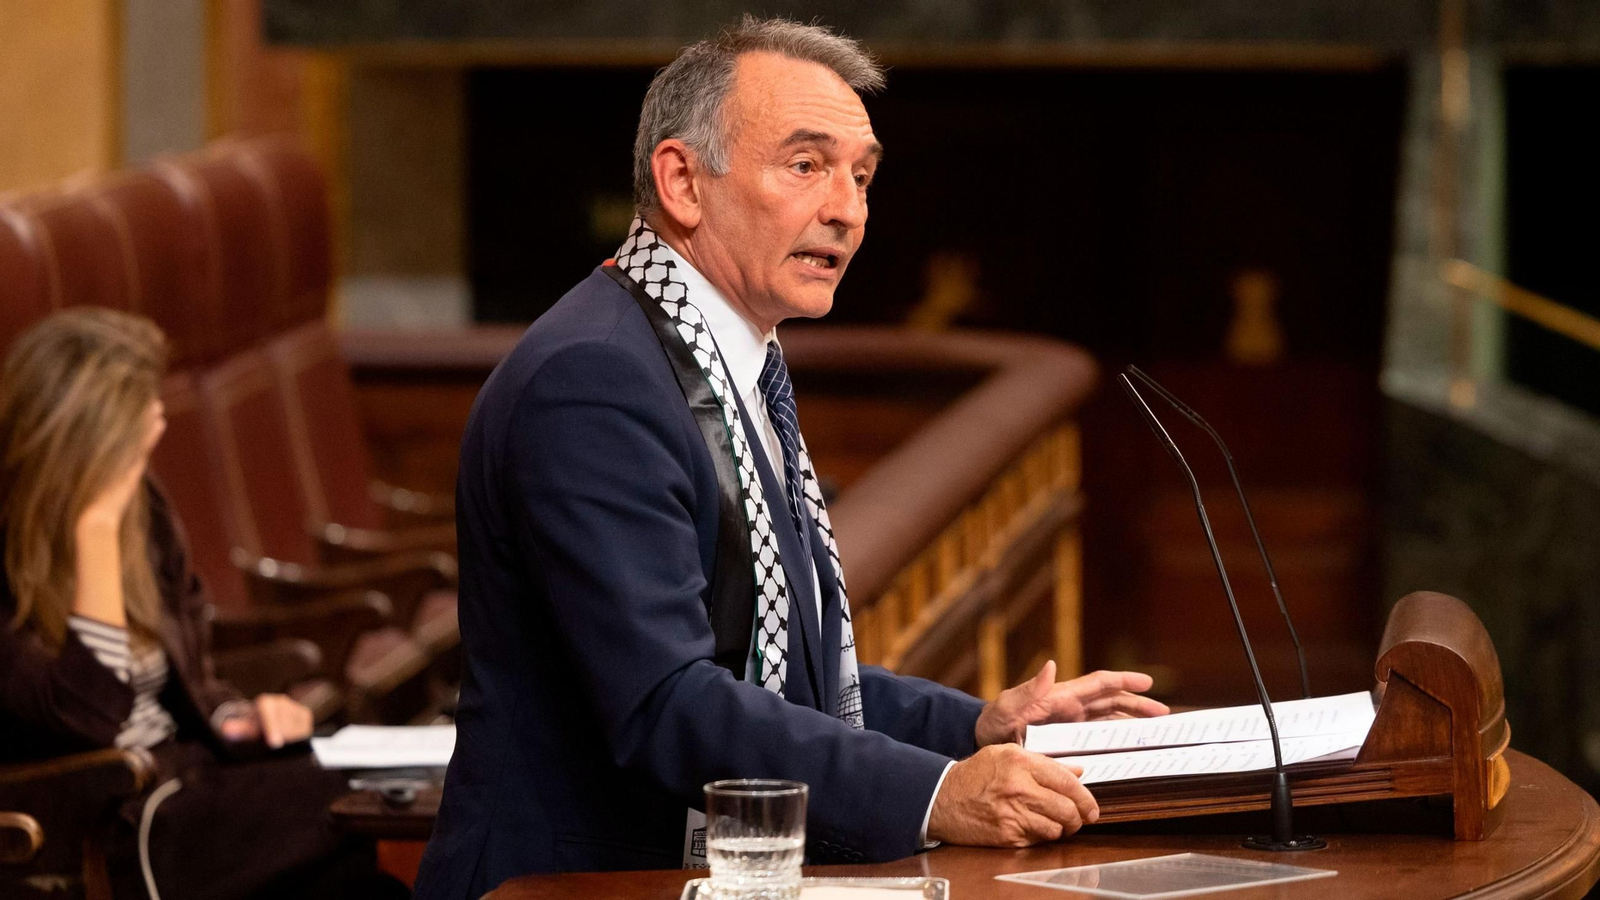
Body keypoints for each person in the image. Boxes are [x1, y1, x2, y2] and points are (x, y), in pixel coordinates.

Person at [413, 17, 1168, 897]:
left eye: (861, 175)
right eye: (806, 166)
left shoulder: (729, 360)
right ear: (682, 180)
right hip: (564, 885)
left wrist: (975, 729)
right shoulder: (595, 380)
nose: (846, 209)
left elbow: (780, 678)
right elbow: (667, 701)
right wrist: (934, 792)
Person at [0, 308, 404, 900]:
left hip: (195, 778)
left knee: (373, 871)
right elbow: (91, 719)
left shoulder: (143, 510)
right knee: (368, 803)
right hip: (112, 822)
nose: (159, 422)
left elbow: (186, 666)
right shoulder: (37, 545)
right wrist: (95, 525)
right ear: (88, 437)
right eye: (141, 419)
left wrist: (233, 718)